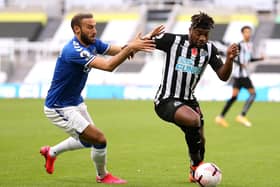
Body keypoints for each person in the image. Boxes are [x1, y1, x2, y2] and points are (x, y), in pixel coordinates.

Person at [40, 13, 162, 184]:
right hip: (58, 106)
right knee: (98, 139)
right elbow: (108, 65)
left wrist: (144, 40)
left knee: (88, 141)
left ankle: (51, 152)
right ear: (77, 29)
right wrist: (130, 48)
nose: (94, 31)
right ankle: (102, 176)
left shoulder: (92, 43)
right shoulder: (73, 50)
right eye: (90, 27)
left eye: (95, 26)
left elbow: (121, 50)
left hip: (75, 102)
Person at [146, 12, 239, 183]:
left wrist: (230, 60)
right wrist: (145, 38)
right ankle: (198, 168)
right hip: (166, 99)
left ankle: (194, 168)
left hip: (189, 100)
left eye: (206, 34)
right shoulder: (172, 41)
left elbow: (223, 76)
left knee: (200, 138)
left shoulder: (210, 49)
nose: (202, 38)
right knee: (194, 120)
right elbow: (144, 43)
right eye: (199, 33)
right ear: (190, 30)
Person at [215, 25, 264, 127]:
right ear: (242, 33)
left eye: (249, 32)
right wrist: (240, 63)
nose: (248, 34)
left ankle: (220, 117)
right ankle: (242, 115)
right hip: (241, 75)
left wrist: (259, 59)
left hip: (240, 75)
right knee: (253, 94)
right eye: (246, 32)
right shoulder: (240, 45)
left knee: (234, 97)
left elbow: (248, 59)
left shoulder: (250, 44)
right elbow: (231, 56)